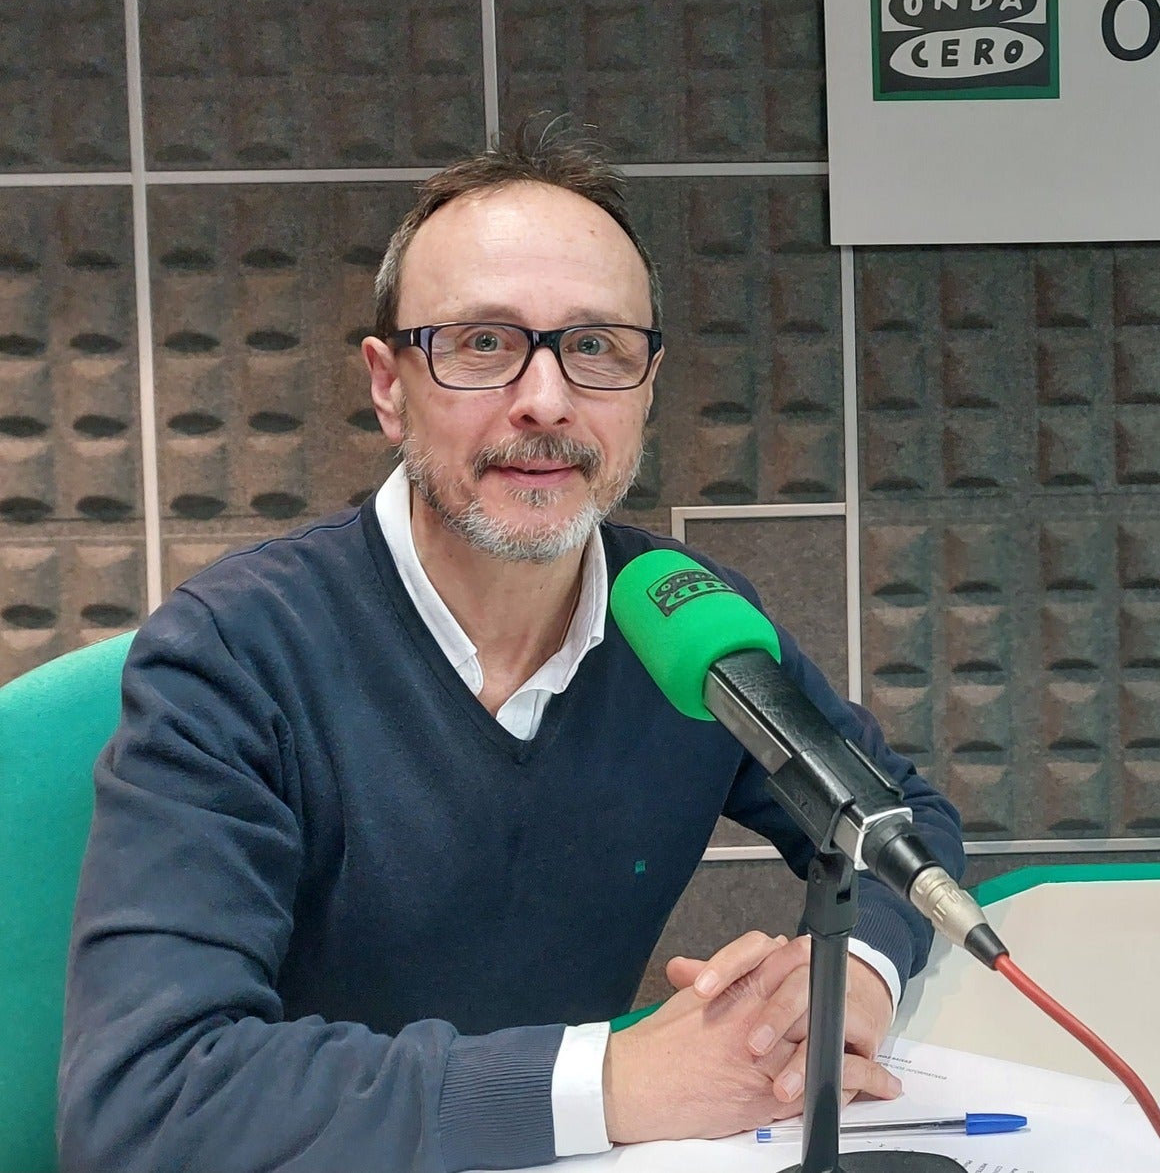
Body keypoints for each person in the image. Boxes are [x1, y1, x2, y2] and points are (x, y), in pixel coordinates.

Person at [59, 125, 964, 1173]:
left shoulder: (681, 620)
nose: (545, 400)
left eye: (596, 347)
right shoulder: (234, 655)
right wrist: (611, 1084)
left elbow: (900, 826)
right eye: (482, 343)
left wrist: (849, 972)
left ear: (646, 388)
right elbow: (143, 1101)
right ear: (388, 384)